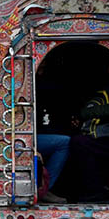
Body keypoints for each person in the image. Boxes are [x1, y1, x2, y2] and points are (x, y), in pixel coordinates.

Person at [65, 58, 109, 201]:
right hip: (101, 137)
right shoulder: (105, 89)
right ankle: (87, 191)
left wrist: (81, 115)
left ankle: (95, 192)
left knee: (79, 143)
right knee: (73, 142)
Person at [35, 60, 71, 203]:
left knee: (64, 141)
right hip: (17, 138)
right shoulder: (27, 84)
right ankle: (44, 188)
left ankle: (44, 188)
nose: (41, 69)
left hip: (33, 135)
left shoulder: (45, 86)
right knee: (64, 143)